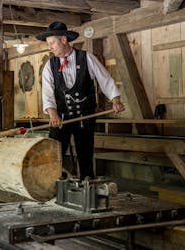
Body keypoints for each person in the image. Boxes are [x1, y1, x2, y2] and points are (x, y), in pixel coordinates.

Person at [37, 21, 125, 179]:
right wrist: (52, 114)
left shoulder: (87, 58)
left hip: (85, 117)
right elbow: (48, 93)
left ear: (63, 40)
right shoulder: (50, 66)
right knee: (54, 155)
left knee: (85, 155)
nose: (49, 47)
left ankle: (87, 185)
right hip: (60, 118)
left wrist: (115, 99)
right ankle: (53, 185)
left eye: (52, 43)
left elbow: (105, 80)